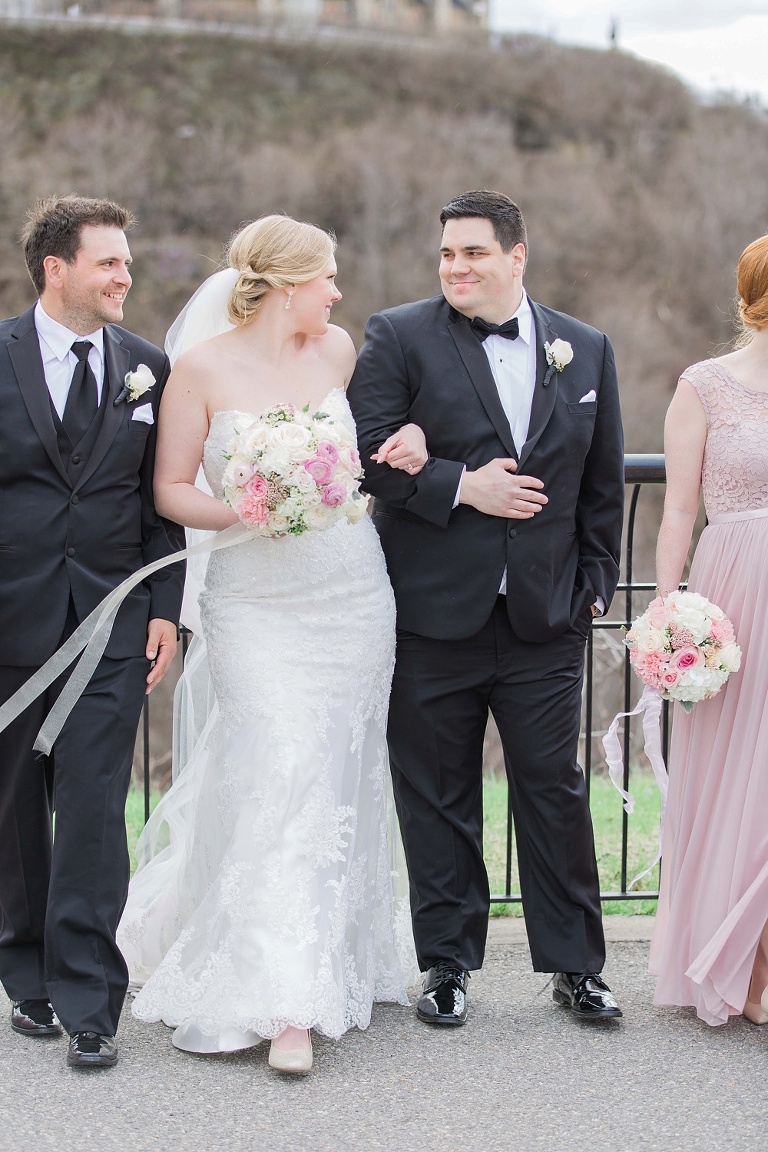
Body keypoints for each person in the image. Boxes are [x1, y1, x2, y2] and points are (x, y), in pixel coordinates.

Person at [117, 215, 424, 1074]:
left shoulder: (338, 352)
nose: (337, 291)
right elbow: (173, 490)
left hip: (350, 593)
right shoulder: (200, 372)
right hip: (254, 599)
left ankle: (338, 957)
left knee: (334, 772)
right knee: (277, 769)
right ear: (289, 283)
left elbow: (361, 454)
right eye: (327, 276)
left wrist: (409, 445)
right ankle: (282, 999)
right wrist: (247, 511)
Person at [347, 189, 625, 1026]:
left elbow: (602, 485)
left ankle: (576, 967)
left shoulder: (586, 347)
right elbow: (364, 455)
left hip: (546, 617)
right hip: (433, 611)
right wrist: (460, 486)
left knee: (553, 790)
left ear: (517, 256)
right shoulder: (399, 335)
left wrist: (596, 588)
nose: (456, 268)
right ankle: (446, 965)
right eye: (446, 255)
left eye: (473, 252)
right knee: (435, 793)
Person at [0, 195, 185, 1069]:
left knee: (92, 816)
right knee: (13, 815)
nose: (125, 276)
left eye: (125, 260)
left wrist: (164, 612)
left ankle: (89, 1001)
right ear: (57, 270)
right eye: (108, 262)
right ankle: (27, 977)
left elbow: (161, 508)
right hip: (9, 624)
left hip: (112, 630)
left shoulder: (150, 367)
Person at [650, 234, 768, 1027]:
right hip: (738, 591)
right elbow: (678, 512)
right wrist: (668, 613)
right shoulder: (706, 387)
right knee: (742, 781)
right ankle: (747, 966)